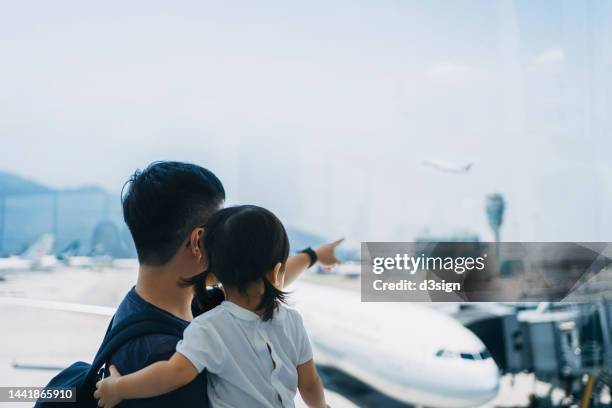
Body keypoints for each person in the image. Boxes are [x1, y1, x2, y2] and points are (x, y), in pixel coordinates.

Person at [109, 161, 342, 407]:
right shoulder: (161, 359)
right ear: (199, 241)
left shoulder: (155, 308)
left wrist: (313, 255)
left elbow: (260, 285)